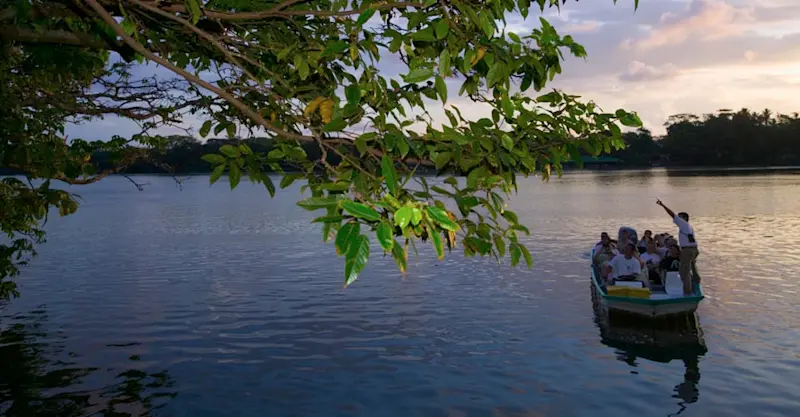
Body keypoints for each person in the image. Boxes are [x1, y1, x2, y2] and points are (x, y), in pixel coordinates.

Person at [656, 199, 699, 295]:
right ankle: (697, 280)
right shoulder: (688, 227)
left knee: (684, 273)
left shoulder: (683, 224)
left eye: (679, 217)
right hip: (693, 250)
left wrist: (662, 205)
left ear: (684, 218)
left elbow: (672, 214)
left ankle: (687, 293)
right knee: (691, 266)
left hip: (687, 250)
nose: (676, 220)